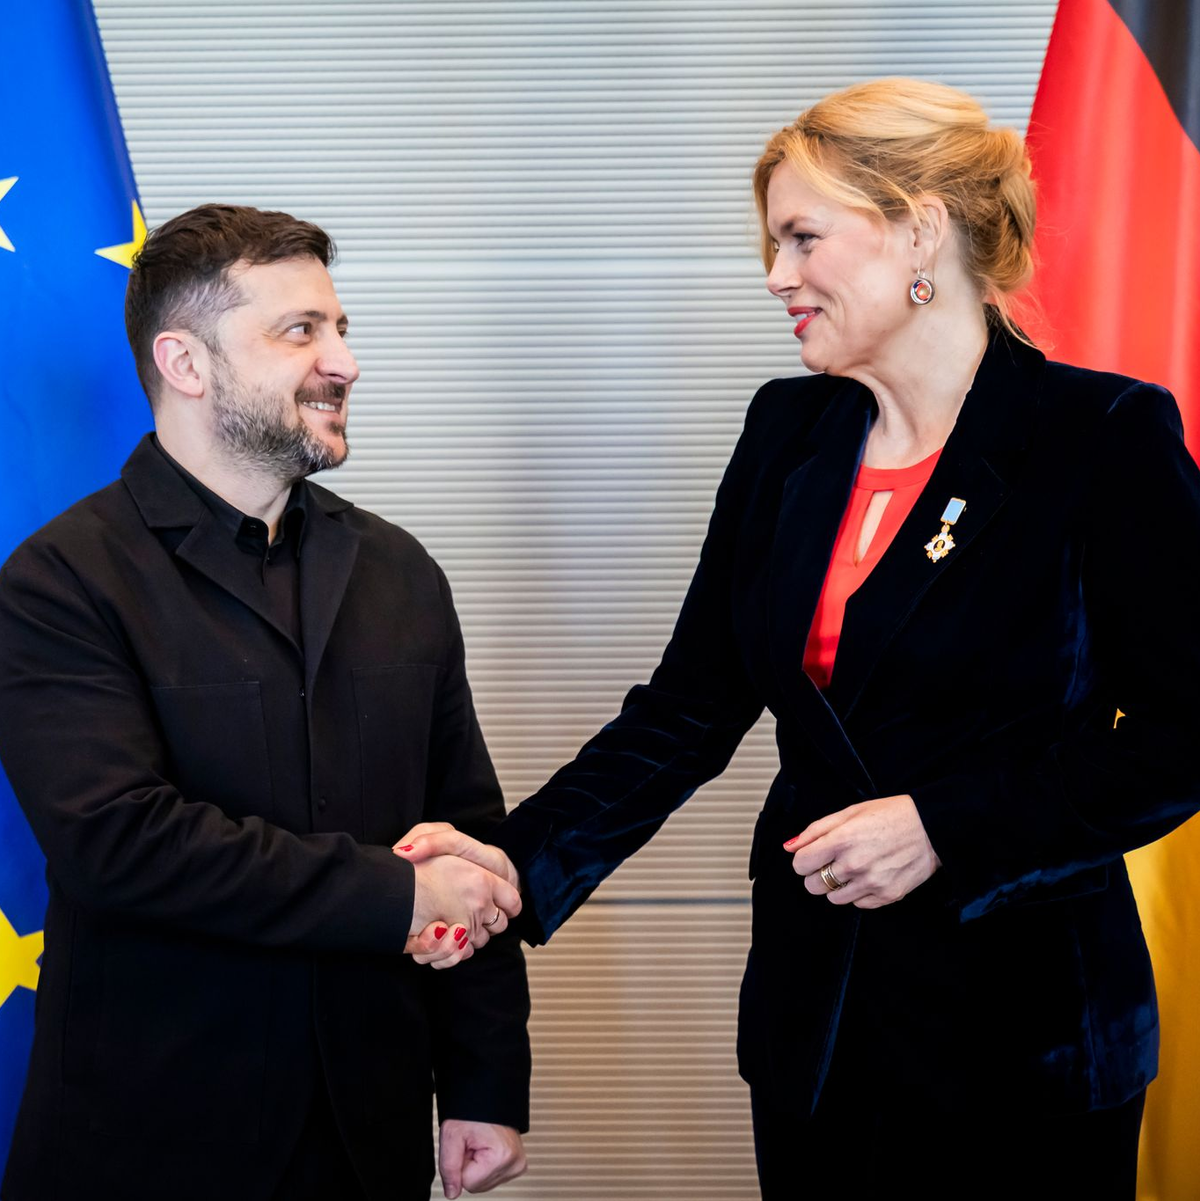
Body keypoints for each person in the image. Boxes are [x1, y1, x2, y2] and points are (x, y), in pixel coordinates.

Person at [396, 79, 1200, 1198]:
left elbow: (1182, 732)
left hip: (1024, 1041)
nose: (777, 276)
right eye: (774, 242)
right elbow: (688, 708)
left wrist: (947, 827)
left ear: (918, 227)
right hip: (817, 1027)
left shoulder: (1100, 434)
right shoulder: (787, 431)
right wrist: (515, 866)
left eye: (802, 237)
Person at [0, 204, 530, 1201]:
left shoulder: (399, 570)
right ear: (186, 363)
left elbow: (465, 837)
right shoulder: (60, 580)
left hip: (368, 1138)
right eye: (301, 331)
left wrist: (485, 1081)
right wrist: (395, 896)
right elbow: (118, 841)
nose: (346, 362)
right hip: (148, 1147)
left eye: (341, 327)